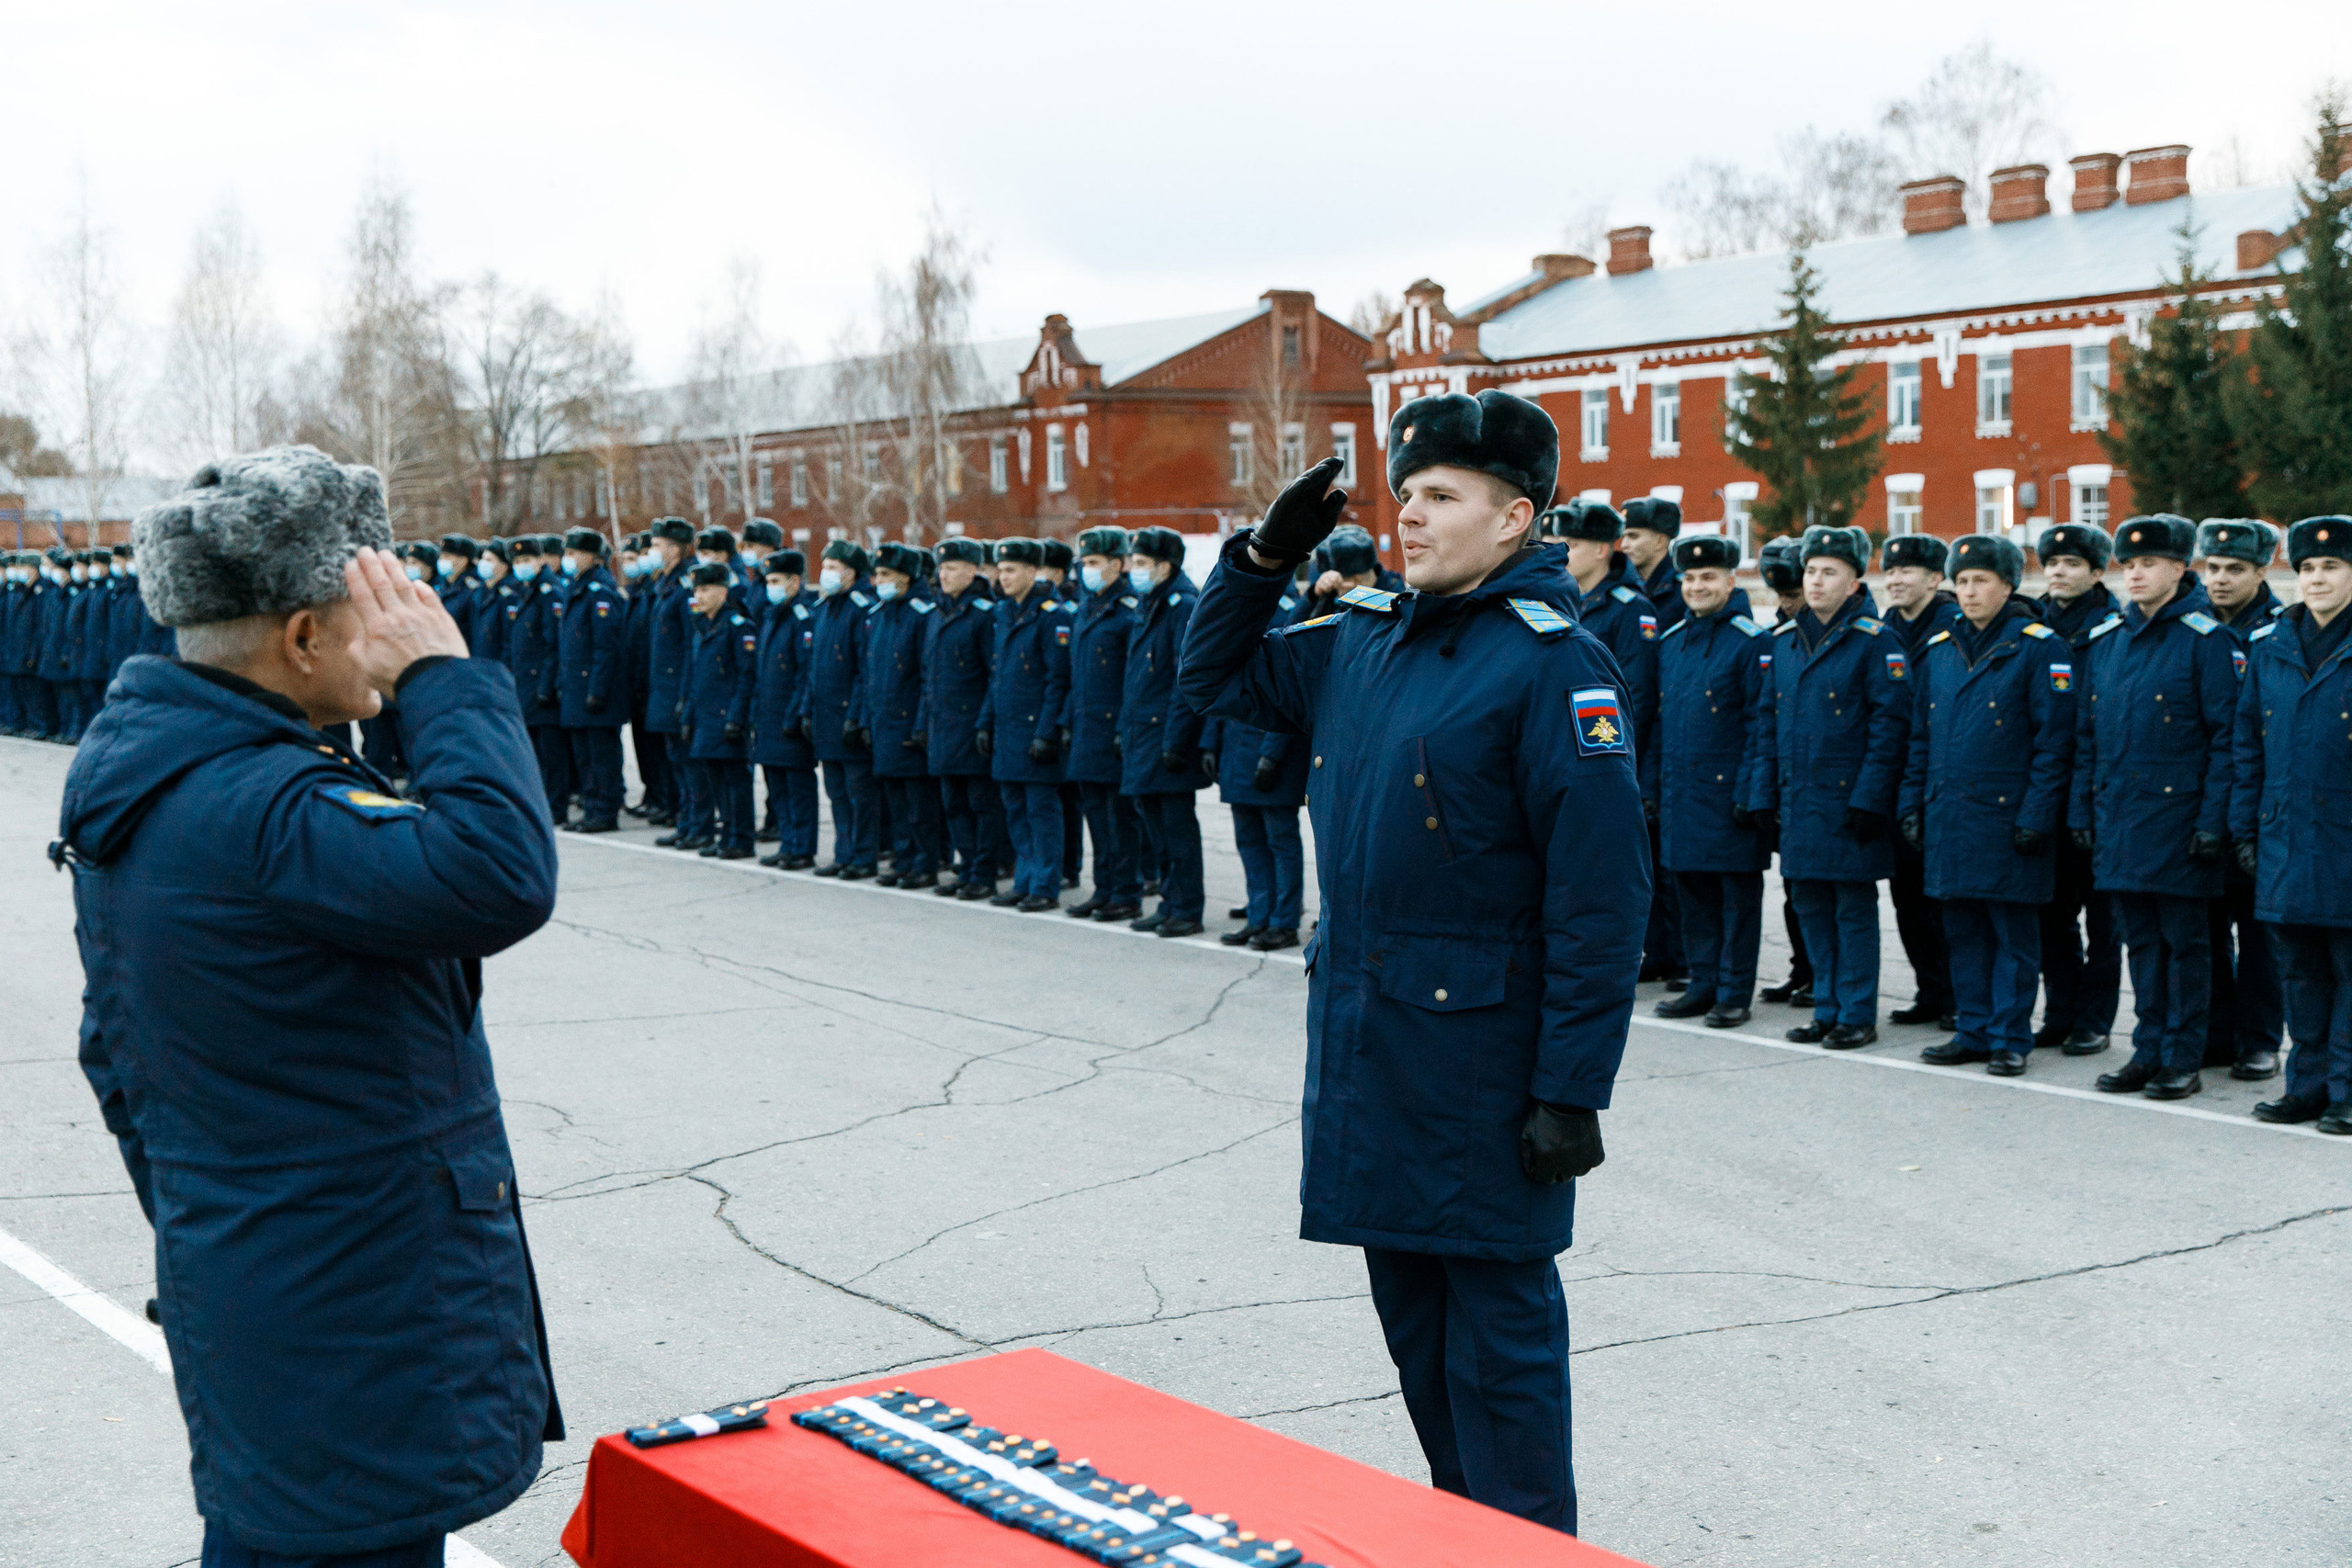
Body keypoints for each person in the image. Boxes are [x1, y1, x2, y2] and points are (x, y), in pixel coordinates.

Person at [62, 445, 560, 1567]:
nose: (393, 632)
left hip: (270, 1284)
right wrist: (442, 678)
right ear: (300, 638)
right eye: (370, 611)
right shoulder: (265, 805)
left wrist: (218, 1217)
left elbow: (115, 1061)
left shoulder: (156, 771)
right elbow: (499, 873)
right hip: (350, 1317)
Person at [1179, 389, 1645, 1536]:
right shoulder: (1365, 638)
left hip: (1486, 1064)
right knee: (1419, 1338)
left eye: (1441, 498)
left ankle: (1531, 1553)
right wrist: (1261, 555)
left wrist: (1571, 1091)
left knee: (1501, 1350)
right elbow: (1211, 683)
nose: (1412, 520)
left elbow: (1602, 903)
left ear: (1515, 519)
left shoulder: (1554, 666)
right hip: (1371, 1041)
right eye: (1407, 497)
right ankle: (1463, 1540)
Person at [2069, 514, 2237, 1100]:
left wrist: (2215, 822)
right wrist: (2081, 813)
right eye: (2129, 563)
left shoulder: (2206, 641)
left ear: (2177, 569)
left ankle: (2182, 1058)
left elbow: (2227, 741)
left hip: (2182, 824)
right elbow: (2087, 739)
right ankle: (2147, 1049)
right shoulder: (2107, 641)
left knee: (2186, 946)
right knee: (2140, 941)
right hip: (2120, 821)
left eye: (2149, 564)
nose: (2135, 573)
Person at [1899, 536, 2074, 1076]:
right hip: (1950, 815)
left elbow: (2054, 744)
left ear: (2008, 585)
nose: (1969, 592)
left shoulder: (2040, 648)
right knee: (1963, 931)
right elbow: (1920, 737)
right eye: (1963, 581)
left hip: (2009, 819)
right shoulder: (1940, 648)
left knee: (2012, 938)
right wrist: (1913, 802)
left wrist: (2036, 816)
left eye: (1981, 581)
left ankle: (2010, 1037)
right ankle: (1973, 1029)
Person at [1756, 525, 1908, 1049]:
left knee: (1852, 908)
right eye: (1811, 571)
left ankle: (1857, 1013)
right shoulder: (1785, 640)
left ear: (1853, 580)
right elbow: (1767, 724)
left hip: (1848, 803)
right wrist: (1763, 796)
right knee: (1811, 906)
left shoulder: (1876, 641)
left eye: (1829, 573)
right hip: (1800, 800)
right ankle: (1826, 1007)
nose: (1816, 582)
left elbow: (1890, 729)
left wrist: (1869, 800)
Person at [2231, 515, 2352, 1132]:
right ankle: (2305, 1084)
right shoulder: (2271, 644)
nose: (2317, 578)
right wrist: (2245, 828)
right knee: (2299, 971)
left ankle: (2347, 1089)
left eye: (2331, 566)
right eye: (2307, 567)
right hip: (2285, 834)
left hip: (2345, 839)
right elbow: (2247, 746)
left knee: (2348, 970)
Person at [1543, 500, 1668, 977]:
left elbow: (1634, 698)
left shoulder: (1629, 610)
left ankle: (1633, 955)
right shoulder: (1559, 600)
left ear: (1600, 549)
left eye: (1569, 544)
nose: (1558, 552)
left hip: (1607, 758)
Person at [1651, 533, 1771, 1028]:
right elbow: (1660, 724)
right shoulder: (1672, 642)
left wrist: (1751, 793)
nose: (1697, 586)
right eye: (1690, 578)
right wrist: (1652, 787)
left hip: (1729, 798)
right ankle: (1703, 984)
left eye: (1708, 577)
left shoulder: (1750, 641)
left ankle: (1735, 992)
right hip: (1683, 793)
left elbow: (1761, 725)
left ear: (1730, 579)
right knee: (1693, 897)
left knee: (1735, 903)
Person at [2194, 518, 2287, 1080]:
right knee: (2205, 929)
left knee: (2259, 936)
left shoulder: (2280, 630)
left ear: (2261, 571)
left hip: (2259, 803)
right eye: (2212, 568)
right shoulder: (2195, 628)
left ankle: (2259, 1041)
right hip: (2203, 803)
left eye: (2235, 569)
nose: (2220, 580)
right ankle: (2217, 1033)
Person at [2031, 523, 2122, 1055]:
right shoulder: (2032, 626)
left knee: (2104, 921)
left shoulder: (2112, 628)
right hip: (2047, 791)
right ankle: (2060, 1011)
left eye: (2071, 564)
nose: (2059, 572)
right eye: (2052, 563)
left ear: (2094, 571)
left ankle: (2095, 1019)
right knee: (2052, 913)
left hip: (2098, 793)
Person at [1877, 533, 1962, 1030]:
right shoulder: (1885, 628)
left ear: (1935, 578)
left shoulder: (1954, 627)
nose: (1896, 580)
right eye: (1890, 571)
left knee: (1942, 900)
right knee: (1906, 898)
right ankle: (1930, 989)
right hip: (1896, 782)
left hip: (1938, 781)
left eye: (1907, 571)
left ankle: (1956, 994)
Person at [1118, 526, 1213, 937]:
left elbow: (1184, 679)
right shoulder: (1149, 601)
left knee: (1177, 830)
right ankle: (1170, 901)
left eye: (1140, 564)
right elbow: (1136, 678)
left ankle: (1187, 908)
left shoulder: (1182, 605)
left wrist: (1176, 740)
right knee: (1155, 828)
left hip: (1167, 739)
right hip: (1143, 736)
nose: (1132, 570)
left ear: (1163, 566)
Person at [978, 537, 1071, 911]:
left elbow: (1058, 680)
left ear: (1033, 571)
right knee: (1015, 809)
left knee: (1041, 811)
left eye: (1011, 569)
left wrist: (1047, 733)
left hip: (1035, 732)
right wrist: (986, 722)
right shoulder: (1003, 613)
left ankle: (1045, 884)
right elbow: (997, 675)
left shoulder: (1052, 615)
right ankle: (1024, 879)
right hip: (1008, 729)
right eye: (1000, 570)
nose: (1003, 577)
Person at [1062, 526, 1144, 922]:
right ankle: (1104, 888)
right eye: (1084, 563)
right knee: (1096, 815)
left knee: (1120, 819)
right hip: (1085, 728)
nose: (1086, 570)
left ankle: (1127, 892)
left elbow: (1134, 680)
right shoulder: (1087, 607)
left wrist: (1122, 730)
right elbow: (1073, 675)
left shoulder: (1128, 609)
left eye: (1094, 563)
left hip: (1113, 731)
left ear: (1117, 564)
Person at [923, 537, 1005, 900]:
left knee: (981, 804)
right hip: (942, 726)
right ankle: (967, 866)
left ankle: (984, 872)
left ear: (973, 571)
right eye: (941, 568)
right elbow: (930, 677)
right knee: (953, 804)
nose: (944, 574)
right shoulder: (937, 614)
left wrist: (985, 723)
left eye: (953, 567)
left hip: (971, 727)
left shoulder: (985, 615)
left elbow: (995, 675)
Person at [860, 542, 944, 889]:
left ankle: (925, 862)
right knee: (895, 800)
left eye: (886, 574)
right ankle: (904, 859)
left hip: (911, 724)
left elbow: (927, 675)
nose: (879, 580)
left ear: (907, 577)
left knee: (919, 803)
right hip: (884, 722)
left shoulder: (923, 614)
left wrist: (921, 723)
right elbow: (870, 674)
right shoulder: (880, 615)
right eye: (877, 574)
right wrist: (866, 719)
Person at [1752, 536, 1814, 1008]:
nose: (1787, 604)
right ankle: (1803, 968)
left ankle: (1821, 974)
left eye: (1794, 595)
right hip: (1789, 783)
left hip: (1826, 787)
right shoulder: (1781, 633)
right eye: (1783, 597)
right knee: (1795, 890)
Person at [800, 541, 881, 879]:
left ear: (853, 572)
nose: (828, 572)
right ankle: (843, 852)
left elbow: (865, 670)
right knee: (836, 791)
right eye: (826, 564)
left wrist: (857, 717)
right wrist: (807, 709)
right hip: (825, 716)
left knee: (859, 793)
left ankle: (863, 856)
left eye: (835, 566)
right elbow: (812, 668)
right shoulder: (822, 609)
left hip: (849, 716)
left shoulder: (862, 608)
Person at [681, 560, 760, 860]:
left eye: (705, 589)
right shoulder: (704, 627)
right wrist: (688, 716)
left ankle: (742, 838)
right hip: (706, 719)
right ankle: (726, 835)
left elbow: (747, 676)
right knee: (716, 782)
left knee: (736, 782)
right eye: (696, 590)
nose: (698, 596)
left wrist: (737, 718)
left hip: (728, 719)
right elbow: (697, 679)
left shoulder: (738, 626)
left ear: (723, 591)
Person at [553, 525, 626, 834]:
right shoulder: (576, 588)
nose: (568, 559)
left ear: (593, 557)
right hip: (575, 689)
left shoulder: (600, 592)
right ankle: (592, 808)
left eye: (574, 553)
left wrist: (597, 690)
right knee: (584, 756)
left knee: (601, 757)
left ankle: (605, 811)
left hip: (595, 693)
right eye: (566, 552)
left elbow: (605, 648)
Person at [752, 550, 820, 870]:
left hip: (788, 721)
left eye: (777, 581)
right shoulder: (772, 616)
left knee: (797, 789)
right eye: (768, 581)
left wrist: (796, 715)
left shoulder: (801, 617)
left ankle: (802, 848)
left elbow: (805, 672)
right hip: (769, 719)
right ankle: (788, 844)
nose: (771, 587)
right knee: (777, 788)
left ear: (795, 581)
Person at [503, 536, 570, 821]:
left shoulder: (549, 592)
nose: (522, 566)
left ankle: (556, 806)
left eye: (527, 560)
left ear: (541, 560)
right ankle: (540, 803)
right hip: (524, 685)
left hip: (542, 686)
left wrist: (547, 685)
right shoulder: (522, 591)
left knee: (552, 752)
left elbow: (554, 645)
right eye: (517, 562)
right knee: (533, 752)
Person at [641, 518, 699, 837]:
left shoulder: (685, 586)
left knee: (688, 762)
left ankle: (694, 822)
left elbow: (691, 644)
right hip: (663, 687)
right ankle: (684, 820)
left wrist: (685, 694)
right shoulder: (664, 584)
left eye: (657, 545)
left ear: (674, 549)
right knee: (675, 760)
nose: (652, 552)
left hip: (679, 687)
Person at [1620, 495, 1686, 634]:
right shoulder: (1624, 586)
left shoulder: (1685, 590)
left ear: (1660, 541)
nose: (1624, 545)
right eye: (1623, 536)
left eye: (1633, 536)